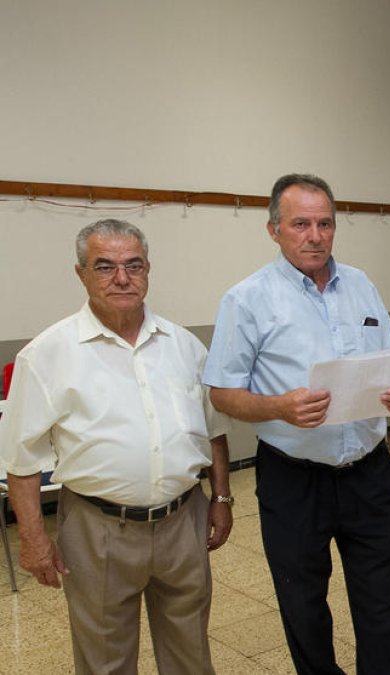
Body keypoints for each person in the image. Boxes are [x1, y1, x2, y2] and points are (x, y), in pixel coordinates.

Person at [0, 219, 233, 674]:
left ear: (148, 270)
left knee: (191, 655)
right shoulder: (48, 354)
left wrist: (221, 499)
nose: (122, 278)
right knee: (105, 660)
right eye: (104, 266)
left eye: (134, 265)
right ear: (80, 273)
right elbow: (20, 458)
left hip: (183, 521)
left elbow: (214, 431)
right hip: (97, 529)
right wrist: (32, 538)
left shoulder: (183, 346)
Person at [203, 174, 390, 674]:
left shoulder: (360, 285)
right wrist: (278, 407)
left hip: (369, 475)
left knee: (381, 606)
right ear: (274, 230)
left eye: (324, 224)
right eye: (301, 224)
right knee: (305, 609)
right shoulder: (246, 299)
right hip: (294, 479)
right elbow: (222, 393)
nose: (315, 235)